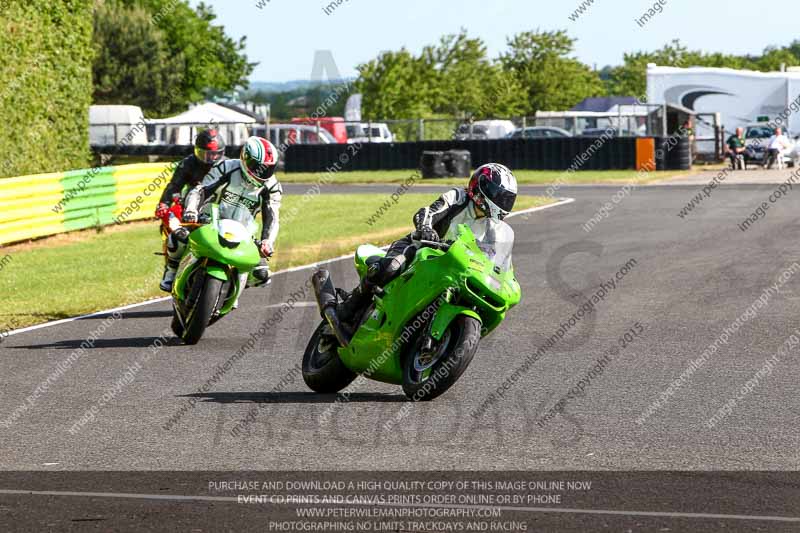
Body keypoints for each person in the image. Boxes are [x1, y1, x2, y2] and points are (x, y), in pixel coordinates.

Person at [336, 163, 518, 325]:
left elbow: (495, 255)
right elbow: (426, 212)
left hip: (451, 265)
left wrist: (504, 273)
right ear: (481, 188)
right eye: (500, 197)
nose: (503, 204)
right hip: (419, 248)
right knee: (390, 267)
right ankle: (349, 306)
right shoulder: (458, 197)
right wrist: (426, 228)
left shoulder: (493, 227)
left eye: (507, 200)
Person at [160, 136, 282, 294]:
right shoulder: (227, 167)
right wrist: (191, 211)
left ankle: (233, 288)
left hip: (243, 232)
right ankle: (171, 270)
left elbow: (272, 216)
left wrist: (267, 241)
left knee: (262, 274)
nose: (263, 172)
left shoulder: (272, 186)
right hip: (210, 221)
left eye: (268, 168)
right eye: (258, 167)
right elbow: (200, 190)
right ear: (245, 158)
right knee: (178, 237)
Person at [155, 128, 227, 220]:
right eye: (204, 154)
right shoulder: (188, 163)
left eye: (214, 154)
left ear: (221, 153)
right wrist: (164, 203)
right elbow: (174, 186)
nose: (209, 158)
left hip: (222, 204)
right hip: (193, 204)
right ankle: (188, 219)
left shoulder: (227, 164)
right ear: (196, 151)